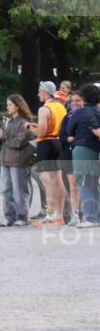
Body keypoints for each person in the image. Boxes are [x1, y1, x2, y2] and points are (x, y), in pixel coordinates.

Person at [0, 95, 36, 227]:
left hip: (18, 161)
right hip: (5, 160)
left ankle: (22, 217)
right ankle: (9, 217)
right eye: (7, 105)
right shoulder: (7, 122)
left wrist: (4, 136)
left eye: (10, 105)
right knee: (5, 190)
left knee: (19, 190)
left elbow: (18, 143)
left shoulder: (24, 123)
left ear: (18, 106)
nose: (7, 107)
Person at [31, 81, 67, 227]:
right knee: (58, 181)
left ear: (46, 92)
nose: (38, 93)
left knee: (47, 181)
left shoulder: (44, 109)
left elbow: (42, 131)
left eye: (40, 90)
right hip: (59, 143)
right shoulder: (60, 106)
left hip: (46, 144)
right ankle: (60, 214)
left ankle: (50, 214)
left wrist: (29, 127)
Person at [66, 84, 100, 228]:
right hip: (95, 149)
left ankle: (90, 218)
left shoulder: (80, 112)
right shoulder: (98, 112)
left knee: (84, 183)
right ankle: (97, 217)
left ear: (84, 97)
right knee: (93, 184)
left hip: (82, 149)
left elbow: (69, 129)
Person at [58, 92, 83, 225]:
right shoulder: (67, 117)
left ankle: (91, 211)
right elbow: (61, 137)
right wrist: (69, 139)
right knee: (73, 186)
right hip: (69, 155)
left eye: (78, 100)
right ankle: (76, 214)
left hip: (86, 154)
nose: (74, 103)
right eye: (72, 101)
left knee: (87, 184)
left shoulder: (89, 116)